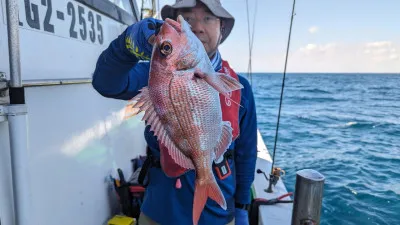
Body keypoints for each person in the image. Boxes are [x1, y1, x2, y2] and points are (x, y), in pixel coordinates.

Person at [91, 0, 258, 224]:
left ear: (222, 29)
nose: (197, 26)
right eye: (188, 18)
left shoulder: (241, 88)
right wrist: (126, 44)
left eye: (208, 18)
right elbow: (106, 83)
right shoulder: (155, 75)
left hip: (218, 214)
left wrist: (241, 207)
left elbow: (246, 153)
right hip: (160, 210)